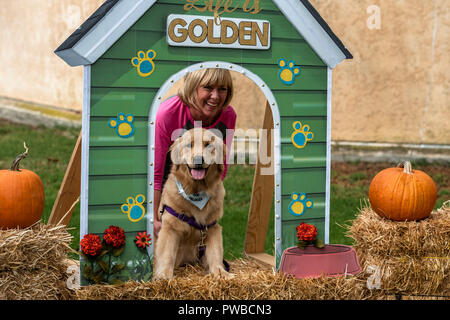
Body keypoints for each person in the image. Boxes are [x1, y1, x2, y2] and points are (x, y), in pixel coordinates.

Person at [153, 68, 236, 237]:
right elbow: (156, 171)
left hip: (203, 167)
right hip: (169, 165)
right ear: (193, 87)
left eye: (222, 89)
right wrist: (155, 217)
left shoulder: (228, 115)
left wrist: (206, 209)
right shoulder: (168, 113)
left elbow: (221, 166)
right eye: (208, 87)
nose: (216, 96)